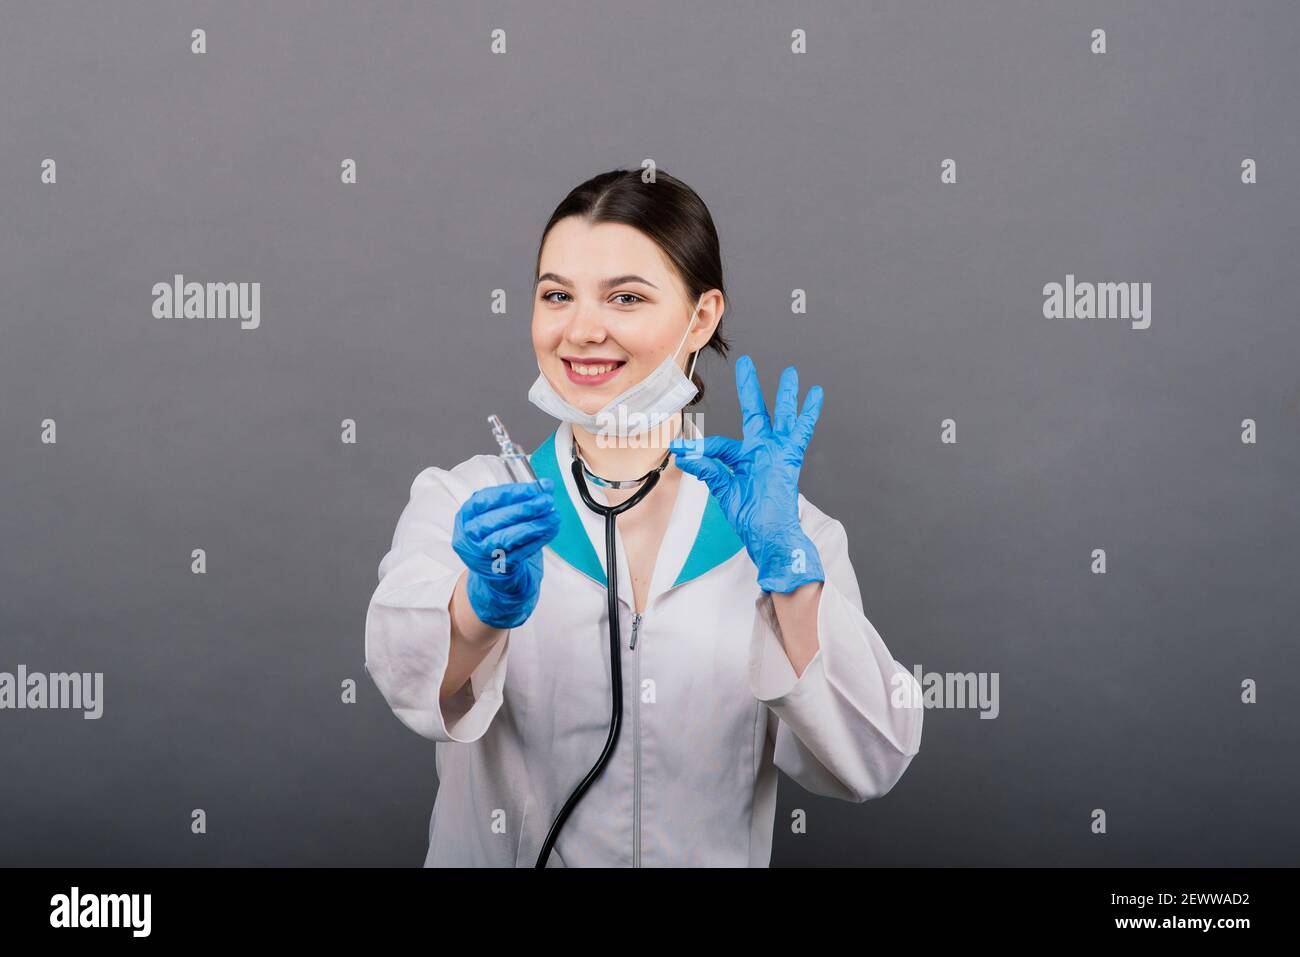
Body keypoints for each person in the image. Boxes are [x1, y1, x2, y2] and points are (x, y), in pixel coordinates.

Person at [363, 168, 923, 867]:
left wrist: (791, 580)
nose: (582, 329)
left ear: (701, 316)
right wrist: (480, 609)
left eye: (625, 297)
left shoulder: (786, 536)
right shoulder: (467, 503)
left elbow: (871, 760)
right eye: (556, 295)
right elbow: (406, 676)